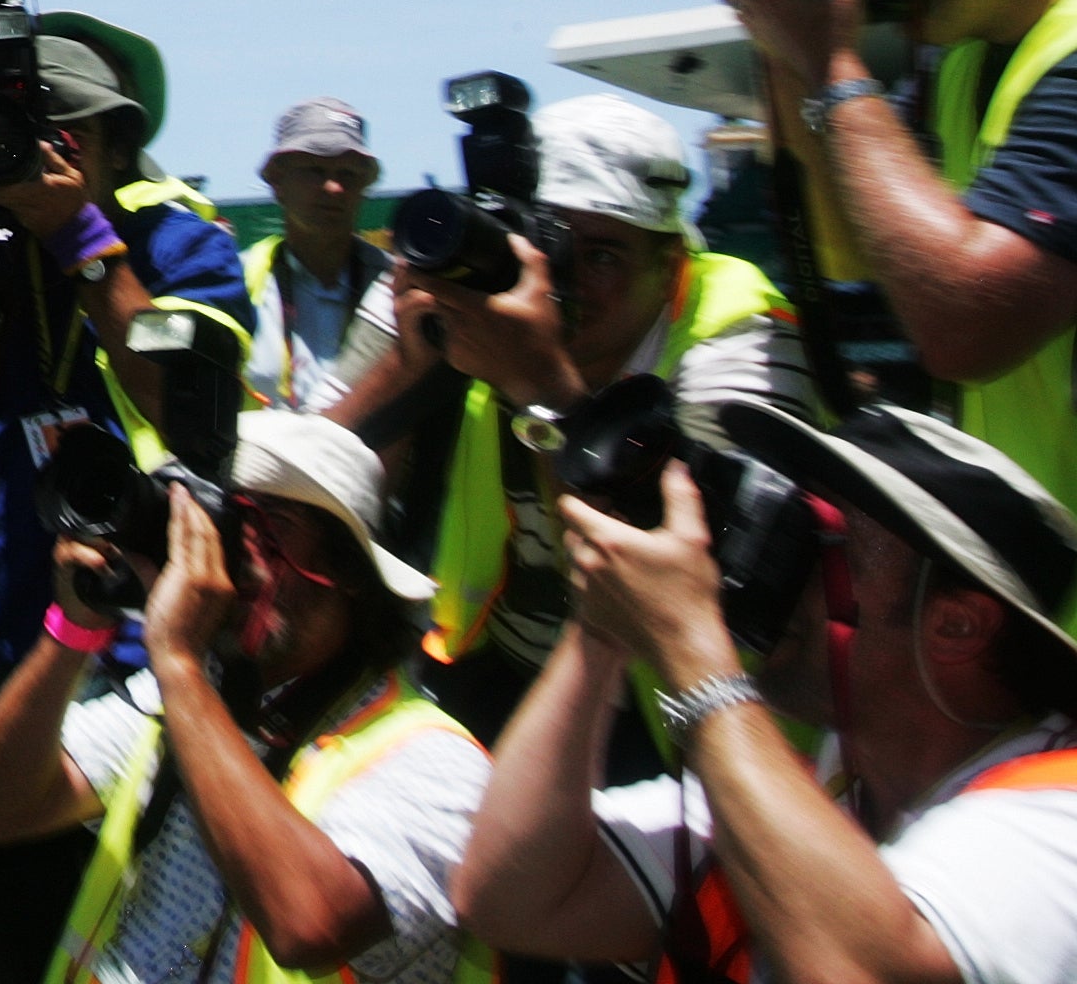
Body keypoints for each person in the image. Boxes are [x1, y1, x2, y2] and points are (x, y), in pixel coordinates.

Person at [0, 15, 253, 984]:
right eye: (12, 129)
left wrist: (81, 237)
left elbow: (192, 414)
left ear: (117, 146)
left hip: (125, 652)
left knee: (122, 934)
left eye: (62, 133)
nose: (29, 153)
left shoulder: (181, 243)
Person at [456, 400, 1077, 983]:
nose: (777, 567)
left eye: (820, 545)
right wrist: (601, 625)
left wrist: (690, 645)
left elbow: (861, 969)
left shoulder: (1057, 817)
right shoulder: (801, 789)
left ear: (955, 625)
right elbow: (511, 898)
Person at [327, 94, 814, 746]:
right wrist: (407, 367)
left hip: (671, 711)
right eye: (549, 243)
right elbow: (299, 476)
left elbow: (717, 588)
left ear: (671, 260)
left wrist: (541, 386)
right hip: (497, 671)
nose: (564, 279)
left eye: (603, 255)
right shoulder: (467, 280)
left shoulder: (735, 330)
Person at [0, 411, 492, 984]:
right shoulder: (187, 694)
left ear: (350, 569)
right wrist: (75, 628)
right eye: (225, 519)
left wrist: (179, 662)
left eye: (270, 522)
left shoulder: (432, 760)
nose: (236, 551)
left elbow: (307, 925)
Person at [728, 0, 1077, 526]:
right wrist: (788, 51)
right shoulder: (963, 66)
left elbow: (964, 328)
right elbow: (867, 258)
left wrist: (834, 68)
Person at [242, 101, 387, 416]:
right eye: (314, 170)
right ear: (277, 182)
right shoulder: (234, 280)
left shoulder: (398, 288)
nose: (333, 187)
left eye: (348, 173)